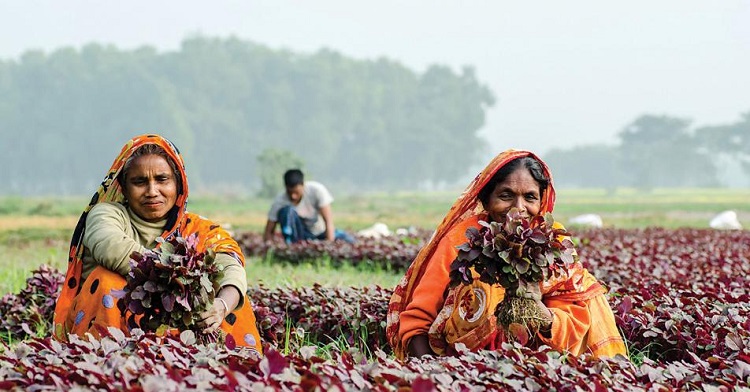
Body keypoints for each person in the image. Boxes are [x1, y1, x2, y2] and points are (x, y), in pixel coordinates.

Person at [386, 150, 626, 359]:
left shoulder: (554, 242)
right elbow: (418, 319)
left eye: (530, 197)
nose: (518, 208)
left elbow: (574, 310)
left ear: (542, 201)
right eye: (506, 195)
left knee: (590, 295)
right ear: (486, 200)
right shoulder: (461, 240)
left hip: (545, 367)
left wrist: (543, 316)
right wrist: (436, 374)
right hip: (464, 366)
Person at [53, 134, 263, 355]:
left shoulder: (196, 228)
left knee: (230, 297)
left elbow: (230, 265)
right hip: (114, 328)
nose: (152, 191)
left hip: (180, 335)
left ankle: (237, 366)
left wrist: (221, 306)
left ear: (178, 183)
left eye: (162, 179)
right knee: (107, 280)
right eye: (139, 182)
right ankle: (104, 361)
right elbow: (110, 246)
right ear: (123, 187)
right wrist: (179, 281)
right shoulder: (107, 214)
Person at [263, 169, 354, 243]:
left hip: (320, 232)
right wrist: (269, 248)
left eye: (296, 192)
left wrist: (329, 244)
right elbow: (269, 231)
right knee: (287, 210)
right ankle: (292, 244)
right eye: (290, 192)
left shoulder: (317, 190)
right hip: (300, 236)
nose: (293, 196)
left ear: (303, 185)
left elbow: (328, 221)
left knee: (349, 241)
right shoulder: (280, 201)